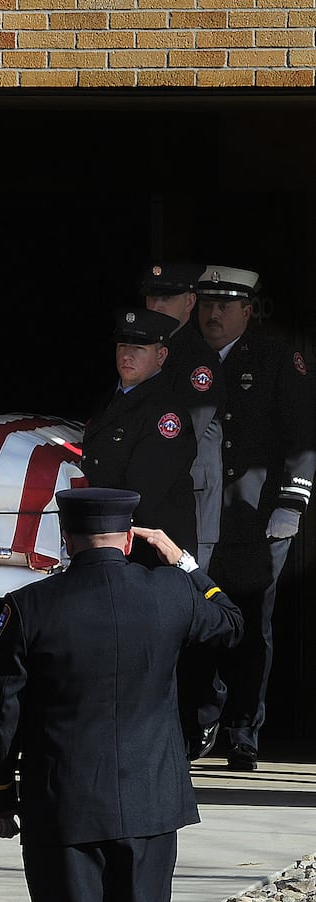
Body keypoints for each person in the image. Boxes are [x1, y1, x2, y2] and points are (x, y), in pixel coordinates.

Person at [0, 488, 244, 902]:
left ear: (65, 538)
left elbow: (1, 715)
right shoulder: (172, 591)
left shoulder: (28, 606)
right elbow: (231, 623)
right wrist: (186, 564)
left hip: (63, 807)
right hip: (151, 800)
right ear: (128, 539)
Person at [188, 266, 316, 771]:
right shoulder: (182, 358)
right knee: (196, 621)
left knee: (253, 625)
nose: (213, 314)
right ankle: (201, 717)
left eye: (224, 306)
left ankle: (243, 730)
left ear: (247, 310)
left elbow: (302, 433)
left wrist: (293, 501)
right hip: (198, 515)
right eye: (206, 304)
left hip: (256, 515)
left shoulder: (277, 359)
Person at [80, 308, 197, 566]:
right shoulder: (111, 398)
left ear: (161, 355)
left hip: (148, 553)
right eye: (122, 345)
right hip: (112, 543)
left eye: (140, 348)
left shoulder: (166, 414)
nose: (127, 355)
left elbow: (141, 495)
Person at [142, 261, 221, 569]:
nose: (157, 305)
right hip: (152, 498)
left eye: (167, 298)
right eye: (152, 297)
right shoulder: (145, 350)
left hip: (189, 503)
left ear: (190, 302)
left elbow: (180, 433)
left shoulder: (198, 360)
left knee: (188, 598)